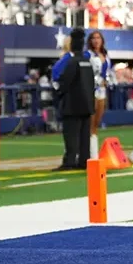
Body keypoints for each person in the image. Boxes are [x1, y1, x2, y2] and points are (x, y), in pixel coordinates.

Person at [52, 28, 95, 170]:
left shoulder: (71, 62)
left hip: (72, 105)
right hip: (87, 104)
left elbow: (64, 83)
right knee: (84, 136)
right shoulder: (87, 62)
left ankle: (69, 161)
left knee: (71, 135)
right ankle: (84, 160)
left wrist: (58, 93)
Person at [87, 31, 114, 159]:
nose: (96, 40)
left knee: (97, 122)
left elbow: (108, 72)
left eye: (98, 38)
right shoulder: (88, 55)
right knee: (90, 122)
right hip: (91, 90)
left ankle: (94, 151)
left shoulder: (106, 55)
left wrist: (108, 81)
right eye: (93, 38)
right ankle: (91, 154)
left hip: (102, 91)